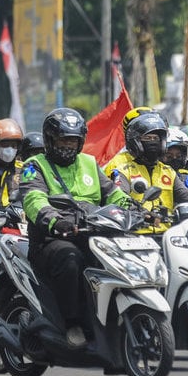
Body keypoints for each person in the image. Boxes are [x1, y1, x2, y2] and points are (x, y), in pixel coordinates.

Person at [20, 108, 130, 347]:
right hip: (52, 239)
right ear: (50, 140)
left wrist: (136, 209)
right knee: (71, 260)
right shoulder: (34, 165)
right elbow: (33, 200)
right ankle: (72, 323)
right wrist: (55, 220)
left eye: (73, 140)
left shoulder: (89, 163)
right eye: (63, 139)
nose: (68, 145)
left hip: (92, 233)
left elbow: (113, 194)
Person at [104, 112, 188, 234]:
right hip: (135, 236)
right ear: (135, 141)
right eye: (147, 138)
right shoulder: (123, 171)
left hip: (166, 235)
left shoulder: (168, 172)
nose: (152, 142)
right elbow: (119, 200)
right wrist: (140, 212)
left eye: (156, 138)